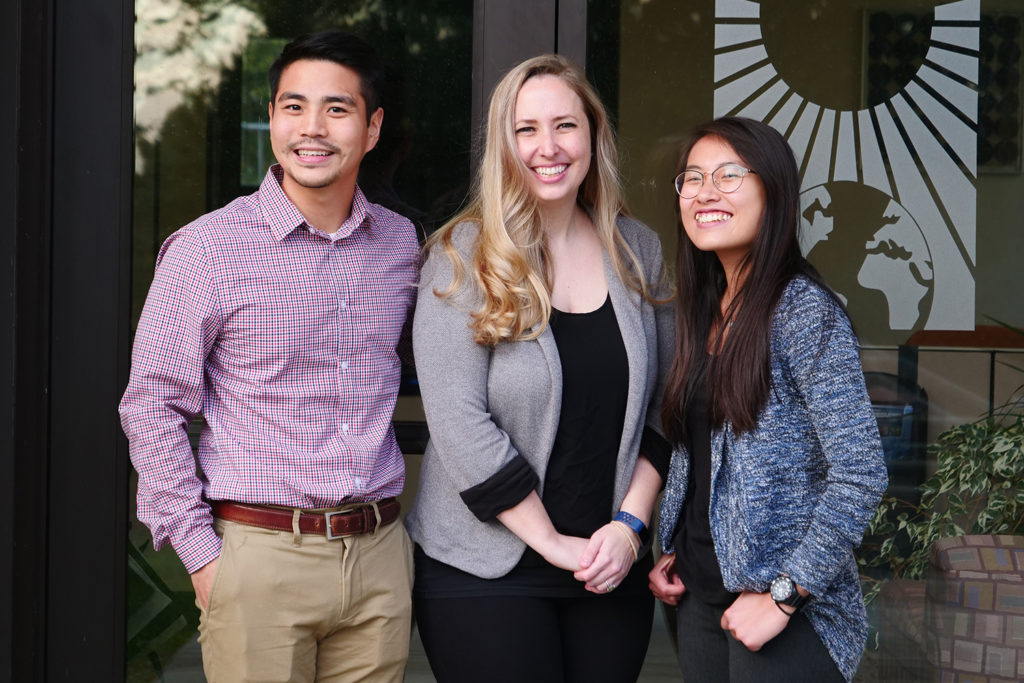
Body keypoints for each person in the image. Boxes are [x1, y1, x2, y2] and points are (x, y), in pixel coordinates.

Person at [119, 30, 419, 683]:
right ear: (275, 116)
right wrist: (202, 557)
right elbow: (152, 406)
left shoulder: (400, 246)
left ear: (371, 129)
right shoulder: (208, 249)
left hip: (378, 561)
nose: (312, 128)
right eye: (293, 106)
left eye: (337, 109)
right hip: (258, 556)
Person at [405, 54, 674, 683]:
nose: (547, 147)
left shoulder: (639, 250)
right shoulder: (460, 255)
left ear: (594, 136)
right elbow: (457, 421)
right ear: (503, 145)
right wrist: (552, 544)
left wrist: (630, 529)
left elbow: (665, 404)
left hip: (608, 567)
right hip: (485, 570)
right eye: (526, 129)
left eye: (565, 126)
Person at [648, 116, 889, 683]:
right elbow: (701, 449)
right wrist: (674, 540)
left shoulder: (803, 312)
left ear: (773, 192)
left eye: (729, 175)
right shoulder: (704, 308)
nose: (706, 192)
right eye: (693, 178)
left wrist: (784, 597)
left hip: (786, 614)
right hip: (702, 598)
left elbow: (861, 472)